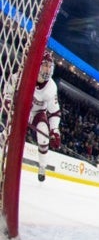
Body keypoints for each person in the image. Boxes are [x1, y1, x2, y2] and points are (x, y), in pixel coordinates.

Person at [3, 50, 61, 182]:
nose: (47, 69)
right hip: (20, 109)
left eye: (49, 66)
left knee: (44, 136)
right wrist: (7, 100)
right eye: (45, 65)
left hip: (38, 113)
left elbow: (54, 112)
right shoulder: (25, 73)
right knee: (9, 134)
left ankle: (42, 166)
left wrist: (55, 131)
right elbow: (10, 87)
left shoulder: (51, 87)